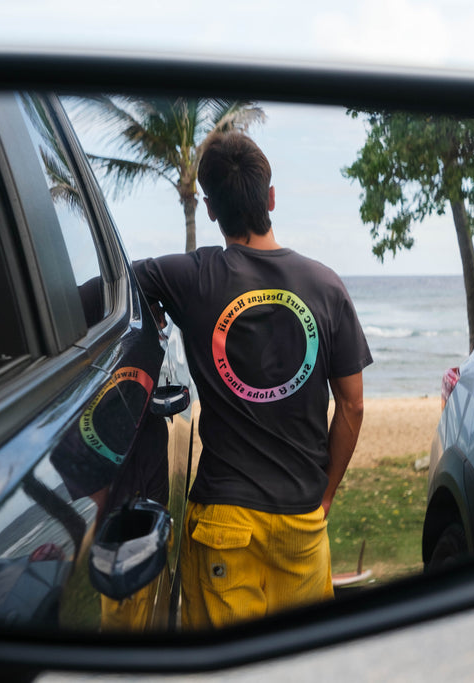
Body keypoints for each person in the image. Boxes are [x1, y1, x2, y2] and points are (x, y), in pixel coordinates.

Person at [132, 131, 372, 629]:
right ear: (271, 199)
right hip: (301, 523)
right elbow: (352, 406)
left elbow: (109, 287)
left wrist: (150, 310)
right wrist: (323, 497)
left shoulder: (193, 277)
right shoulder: (326, 286)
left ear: (212, 210)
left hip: (223, 521)